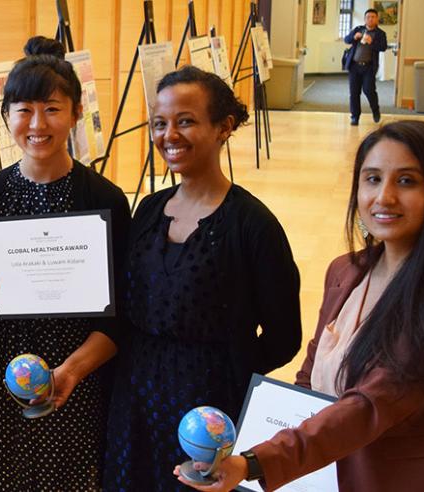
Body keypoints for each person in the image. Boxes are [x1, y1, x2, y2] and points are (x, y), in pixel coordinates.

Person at [176, 120, 424, 491]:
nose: (384, 197)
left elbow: (374, 402)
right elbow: (309, 380)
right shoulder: (345, 271)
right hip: (328, 473)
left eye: (407, 181)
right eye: (372, 179)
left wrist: (258, 462)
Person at [103, 66, 301, 491]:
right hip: (134, 403)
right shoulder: (148, 211)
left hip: (207, 417)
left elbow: (285, 336)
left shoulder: (253, 225)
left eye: (186, 121)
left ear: (223, 127)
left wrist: (229, 372)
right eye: (160, 123)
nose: (169, 135)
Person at [0, 52, 131, 491]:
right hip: (4, 367)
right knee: (6, 477)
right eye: (25, 111)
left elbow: (120, 310)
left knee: (72, 479)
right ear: (6, 116)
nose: (37, 124)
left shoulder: (105, 199)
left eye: (52, 109)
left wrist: (72, 371)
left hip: (77, 368)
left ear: (76, 113)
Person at [343, 9, 388, 126]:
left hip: (368, 67)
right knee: (354, 92)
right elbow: (346, 40)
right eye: (368, 17)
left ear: (377, 19)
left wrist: (371, 42)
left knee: (369, 90)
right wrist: (354, 37)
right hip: (354, 66)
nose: (370, 19)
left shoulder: (380, 33)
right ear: (365, 19)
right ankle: (355, 117)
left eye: (373, 17)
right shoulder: (358, 29)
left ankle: (375, 110)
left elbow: (383, 47)